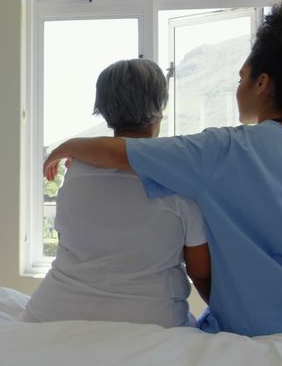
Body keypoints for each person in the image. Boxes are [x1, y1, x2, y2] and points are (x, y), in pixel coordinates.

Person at [43, 0, 282, 337]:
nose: (237, 87)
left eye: (241, 77)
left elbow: (123, 152)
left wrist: (67, 146)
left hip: (260, 331)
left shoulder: (223, 150)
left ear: (262, 83)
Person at [25, 59, 211, 328]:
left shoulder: (75, 173)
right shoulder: (180, 177)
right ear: (160, 107)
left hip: (52, 315)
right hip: (153, 322)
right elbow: (201, 272)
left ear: (103, 109)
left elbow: (71, 239)